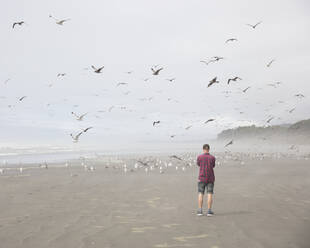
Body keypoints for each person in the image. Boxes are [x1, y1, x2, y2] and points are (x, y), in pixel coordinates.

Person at [196, 144, 216, 216]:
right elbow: (213, 165)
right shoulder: (212, 157)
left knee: (201, 193)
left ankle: (200, 210)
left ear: (203, 149)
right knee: (209, 194)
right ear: (209, 149)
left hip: (202, 177)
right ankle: (209, 211)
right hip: (210, 178)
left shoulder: (199, 157)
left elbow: (198, 164)